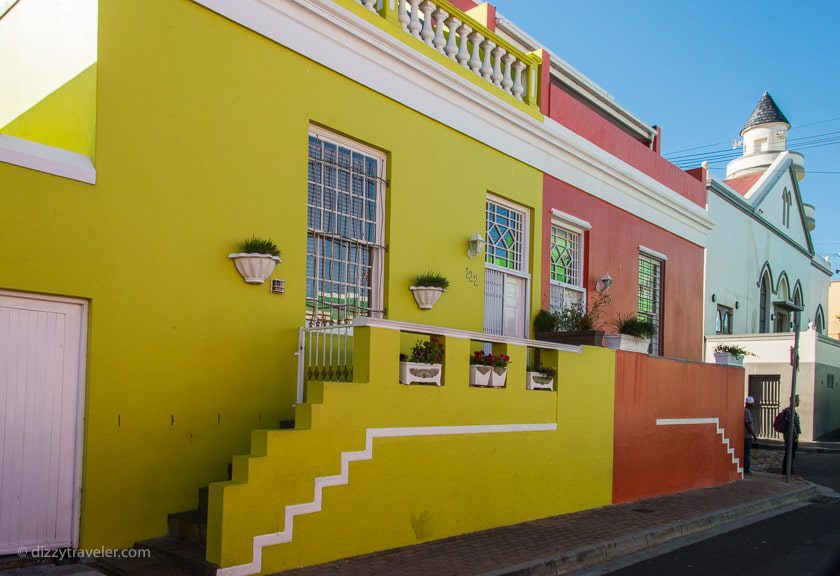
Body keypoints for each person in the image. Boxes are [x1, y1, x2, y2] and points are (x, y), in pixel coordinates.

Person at [780, 395, 802, 475]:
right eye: (798, 400)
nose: (799, 402)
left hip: (789, 435)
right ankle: (787, 471)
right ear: (795, 401)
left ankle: (788, 469)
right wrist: (795, 436)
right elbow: (792, 426)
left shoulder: (791, 411)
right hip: (790, 436)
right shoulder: (790, 412)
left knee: (790, 453)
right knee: (790, 453)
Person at [744, 396, 756, 474]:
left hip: (746, 435)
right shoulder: (747, 412)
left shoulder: (746, 411)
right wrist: (754, 435)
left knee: (746, 453)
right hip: (747, 436)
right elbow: (747, 424)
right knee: (747, 453)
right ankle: (746, 469)